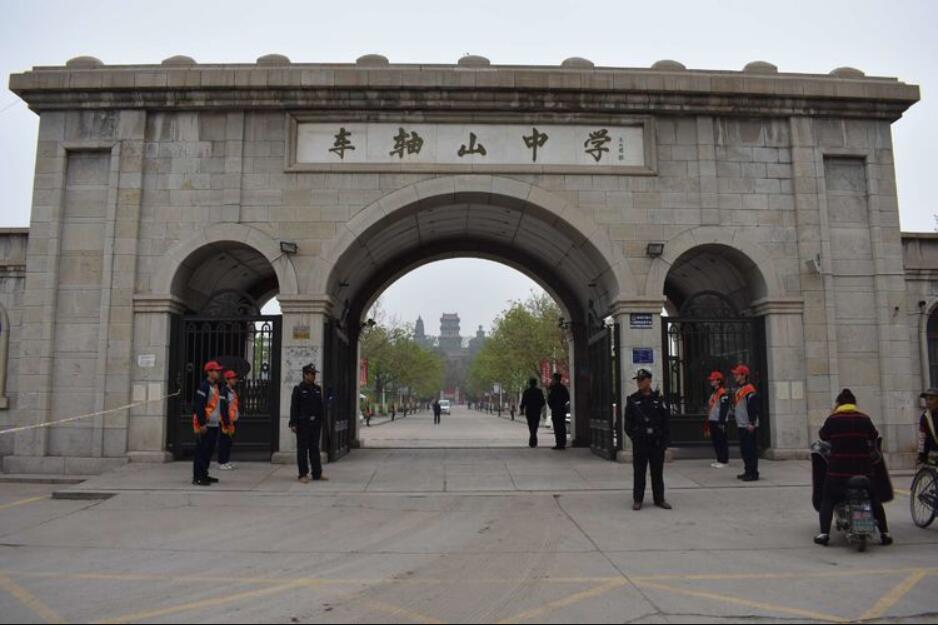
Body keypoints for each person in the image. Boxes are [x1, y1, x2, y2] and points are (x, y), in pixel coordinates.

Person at [815, 389, 892, 546]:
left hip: (838, 473)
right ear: (854, 403)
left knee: (828, 498)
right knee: (874, 498)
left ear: (838, 404)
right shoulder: (864, 419)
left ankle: (824, 534)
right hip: (864, 471)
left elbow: (823, 436)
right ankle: (884, 533)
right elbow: (873, 435)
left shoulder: (833, 419)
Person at [624, 368, 672, 511]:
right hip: (641, 443)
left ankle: (659, 499)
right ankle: (638, 499)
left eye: (642, 379)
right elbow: (628, 424)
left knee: (657, 472)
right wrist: (635, 437)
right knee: (639, 472)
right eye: (638, 380)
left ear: (649, 381)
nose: (639, 382)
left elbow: (665, 422)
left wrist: (664, 442)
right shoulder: (633, 400)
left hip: (656, 443)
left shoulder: (658, 399)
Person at [289, 364, 328, 483]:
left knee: (315, 449)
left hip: (315, 424)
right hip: (303, 424)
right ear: (305, 374)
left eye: (314, 374)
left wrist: (322, 420)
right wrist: (293, 423)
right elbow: (294, 407)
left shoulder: (317, 389)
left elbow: (320, 407)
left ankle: (317, 473)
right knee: (302, 450)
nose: (313, 376)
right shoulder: (299, 389)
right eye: (311, 374)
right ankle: (302, 474)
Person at [191, 361, 223, 486]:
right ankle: (198, 477)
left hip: (214, 424)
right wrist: (202, 423)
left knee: (209, 451)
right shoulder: (203, 386)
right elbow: (199, 406)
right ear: (209, 372)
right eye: (216, 370)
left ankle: (204, 473)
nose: (219, 373)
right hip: (206, 425)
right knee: (201, 451)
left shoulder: (214, 387)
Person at [732, 364, 761, 482]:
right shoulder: (740, 389)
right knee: (744, 449)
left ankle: (753, 473)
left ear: (743, 375)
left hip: (748, 425)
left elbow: (753, 407)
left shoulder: (749, 389)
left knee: (750, 449)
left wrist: (751, 422)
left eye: (737, 374)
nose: (735, 376)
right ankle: (747, 470)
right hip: (742, 424)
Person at [216, 369, 240, 471]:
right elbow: (223, 407)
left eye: (235, 378)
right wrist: (225, 421)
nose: (235, 380)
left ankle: (226, 460)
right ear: (227, 379)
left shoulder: (232, 391)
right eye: (233, 378)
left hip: (232, 420)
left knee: (229, 441)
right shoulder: (224, 391)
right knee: (224, 441)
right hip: (225, 421)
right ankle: (222, 462)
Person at [706, 371, 731, 468]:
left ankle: (724, 460)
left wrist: (722, 421)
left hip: (719, 421)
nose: (711, 381)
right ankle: (719, 458)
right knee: (716, 440)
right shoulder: (714, 393)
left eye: (713, 379)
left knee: (721, 440)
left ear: (718, 381)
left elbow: (724, 408)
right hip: (713, 420)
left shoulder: (722, 393)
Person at [520, 378, 546, 448]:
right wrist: (539, 406)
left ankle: (532, 440)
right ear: (536, 383)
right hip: (537, 411)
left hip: (529, 411)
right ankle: (533, 440)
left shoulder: (526, 391)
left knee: (531, 425)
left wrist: (522, 409)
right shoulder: (539, 391)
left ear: (529, 383)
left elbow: (523, 401)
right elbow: (543, 402)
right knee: (535, 426)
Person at [547, 373, 570, 451]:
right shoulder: (563, 388)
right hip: (561, 410)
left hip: (556, 410)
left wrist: (552, 406)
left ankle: (559, 444)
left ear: (555, 379)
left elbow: (549, 398)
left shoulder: (553, 388)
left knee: (557, 427)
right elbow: (567, 398)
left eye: (552, 379)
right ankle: (562, 443)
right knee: (562, 427)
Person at [918, 388, 938, 466]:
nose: (928, 402)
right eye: (926, 399)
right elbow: (922, 437)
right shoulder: (925, 417)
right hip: (933, 455)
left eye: (931, 399)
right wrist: (921, 455)